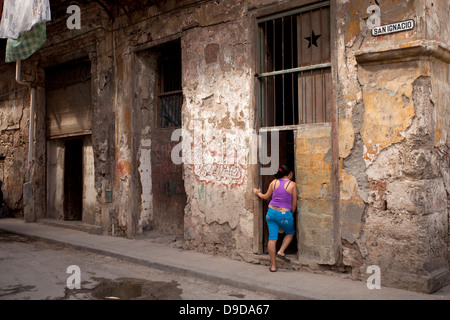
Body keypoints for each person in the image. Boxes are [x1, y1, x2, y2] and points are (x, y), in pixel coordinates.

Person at [254, 165, 296, 272]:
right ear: (290, 173)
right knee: (290, 232)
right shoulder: (292, 185)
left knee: (272, 238)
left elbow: (265, 196)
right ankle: (281, 251)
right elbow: (294, 204)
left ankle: (273, 266)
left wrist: (257, 192)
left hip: (271, 213)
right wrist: (291, 215)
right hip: (284, 214)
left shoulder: (274, 182)